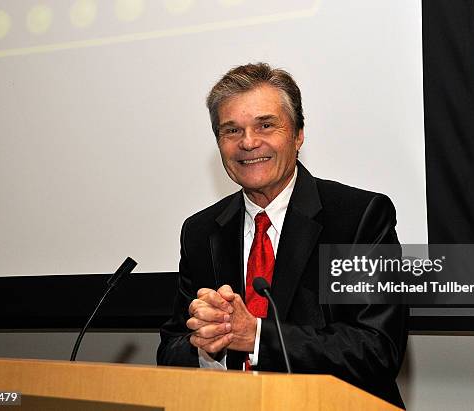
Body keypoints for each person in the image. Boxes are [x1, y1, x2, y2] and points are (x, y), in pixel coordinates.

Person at [157, 62, 408, 408]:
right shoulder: (201, 231)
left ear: (298, 133)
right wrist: (205, 346)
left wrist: (257, 337)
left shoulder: (358, 217)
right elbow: (171, 347)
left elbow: (376, 349)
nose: (248, 142)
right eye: (231, 131)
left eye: (265, 125)